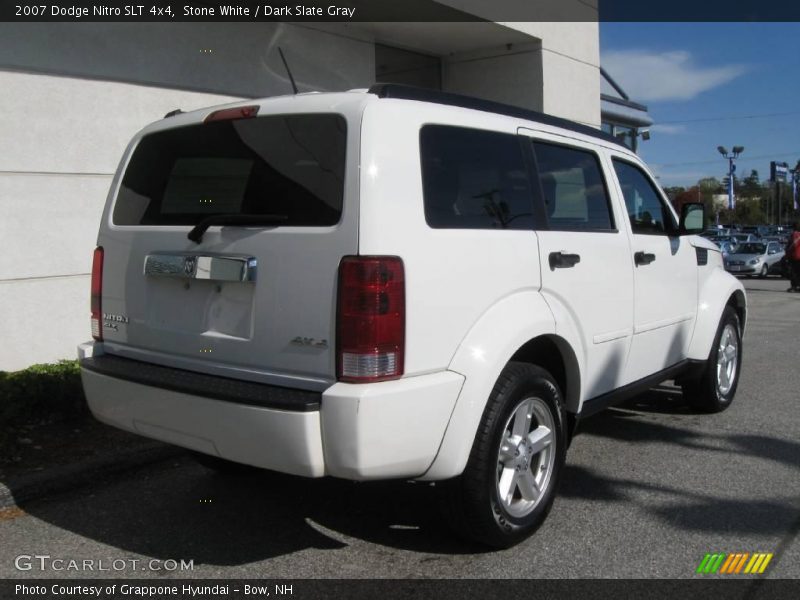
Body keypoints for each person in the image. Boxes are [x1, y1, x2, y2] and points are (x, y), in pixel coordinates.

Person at [786, 222, 800, 292]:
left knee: (793, 272)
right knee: (798, 272)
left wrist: (788, 249)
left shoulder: (795, 234)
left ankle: (794, 286)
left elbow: (794, 244)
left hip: (794, 256)